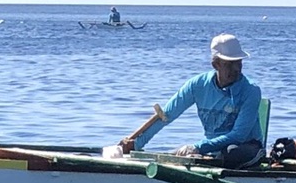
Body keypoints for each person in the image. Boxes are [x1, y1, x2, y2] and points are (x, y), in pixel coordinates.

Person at [108, 34, 265, 168]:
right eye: (229, 64)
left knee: (231, 151)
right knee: (191, 155)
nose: (236, 69)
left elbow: (238, 135)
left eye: (239, 62)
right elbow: (165, 116)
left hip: (246, 148)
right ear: (215, 64)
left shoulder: (251, 91)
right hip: (211, 151)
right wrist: (135, 144)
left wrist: (197, 147)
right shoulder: (197, 85)